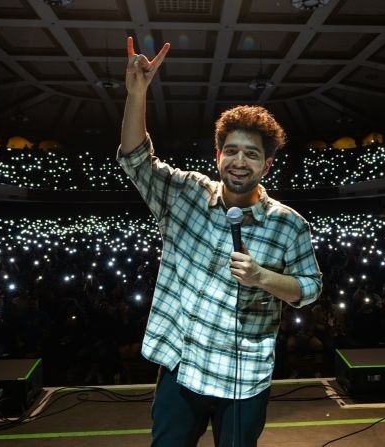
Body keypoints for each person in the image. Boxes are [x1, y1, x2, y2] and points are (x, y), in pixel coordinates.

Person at [118, 36, 322, 447]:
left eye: (251, 154)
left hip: (244, 379)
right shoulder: (186, 193)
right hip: (182, 368)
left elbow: (310, 288)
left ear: (267, 164)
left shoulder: (289, 225)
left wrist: (263, 277)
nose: (239, 162)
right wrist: (137, 93)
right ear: (218, 156)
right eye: (231, 151)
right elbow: (136, 158)